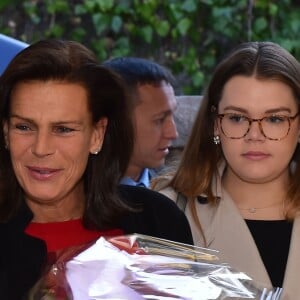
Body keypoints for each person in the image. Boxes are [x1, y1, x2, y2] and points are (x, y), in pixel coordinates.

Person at [0, 39, 193, 299]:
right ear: (5, 132)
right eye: (24, 127)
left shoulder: (159, 220)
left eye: (64, 129)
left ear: (96, 135)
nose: (41, 148)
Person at [153, 41, 300, 297]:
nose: (255, 135)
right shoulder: (166, 212)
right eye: (237, 118)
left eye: (275, 119)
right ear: (215, 124)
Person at [103, 57, 178, 187]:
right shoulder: (76, 198)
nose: (173, 133)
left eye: (172, 116)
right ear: (117, 123)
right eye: (159, 120)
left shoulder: (175, 191)